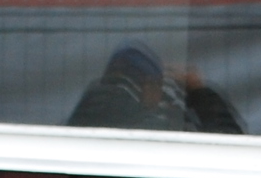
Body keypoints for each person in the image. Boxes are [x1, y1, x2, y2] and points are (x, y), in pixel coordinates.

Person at [68, 41, 244, 133]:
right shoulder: (160, 126)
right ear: (148, 87)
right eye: (158, 85)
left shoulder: (82, 120)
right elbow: (229, 145)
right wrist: (199, 92)